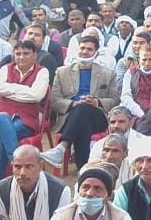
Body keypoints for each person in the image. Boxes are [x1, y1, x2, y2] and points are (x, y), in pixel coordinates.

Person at [39, 35, 119, 172]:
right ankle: (83, 168)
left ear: (96, 53)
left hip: (98, 116)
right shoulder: (62, 72)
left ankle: (62, 148)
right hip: (69, 116)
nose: (84, 52)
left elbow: (115, 99)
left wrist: (96, 102)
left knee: (85, 109)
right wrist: (72, 104)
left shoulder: (108, 73)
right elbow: (54, 100)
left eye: (89, 49)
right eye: (82, 48)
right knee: (83, 117)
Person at [0, 41, 49, 183]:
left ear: (35, 55)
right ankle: (15, 162)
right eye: (18, 54)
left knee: (4, 135)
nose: (21, 57)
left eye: (26, 54)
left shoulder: (42, 71)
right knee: (3, 118)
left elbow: (36, 96)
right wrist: (24, 91)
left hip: (25, 120)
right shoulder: (6, 68)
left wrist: (9, 89)